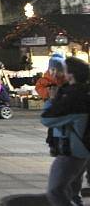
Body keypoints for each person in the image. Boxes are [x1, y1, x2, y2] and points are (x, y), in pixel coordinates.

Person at [41, 56, 90, 206]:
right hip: (81, 148)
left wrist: (51, 101)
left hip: (73, 149)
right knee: (67, 187)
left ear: (71, 74)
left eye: (63, 70)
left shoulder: (73, 96)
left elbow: (48, 118)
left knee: (55, 191)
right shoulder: (83, 92)